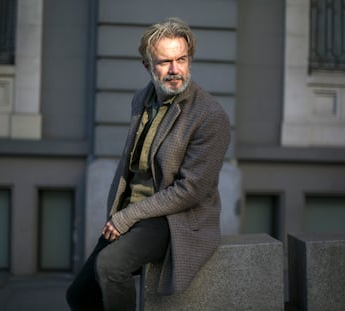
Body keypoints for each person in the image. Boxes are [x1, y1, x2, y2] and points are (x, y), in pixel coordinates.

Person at [66, 17, 231, 311]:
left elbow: (190, 191)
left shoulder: (210, 116)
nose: (175, 70)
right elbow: (131, 165)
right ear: (147, 66)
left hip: (178, 219)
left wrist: (127, 217)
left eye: (181, 59)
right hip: (134, 211)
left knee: (110, 267)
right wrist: (120, 211)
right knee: (78, 295)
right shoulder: (142, 98)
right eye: (164, 62)